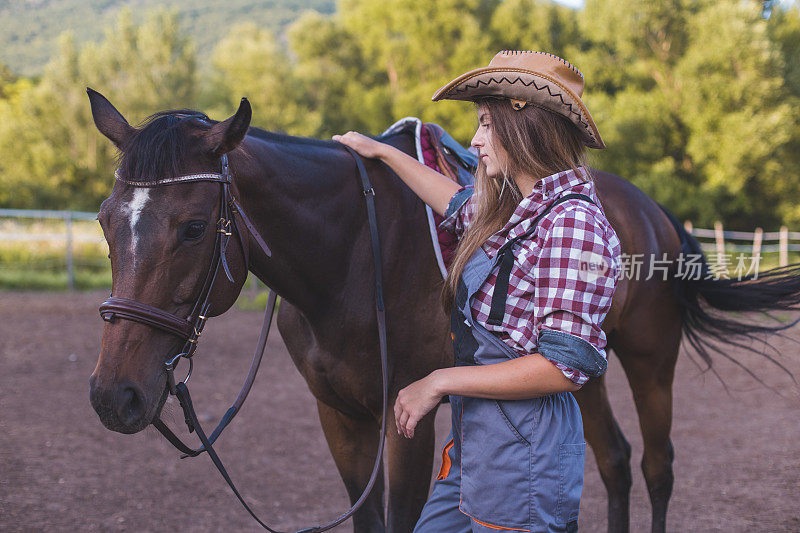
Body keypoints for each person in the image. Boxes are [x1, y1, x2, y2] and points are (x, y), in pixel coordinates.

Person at [334, 50, 621, 533]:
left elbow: (563, 367)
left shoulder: (572, 225)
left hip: (527, 455)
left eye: (487, 124)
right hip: (478, 443)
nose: (474, 139)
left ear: (524, 127)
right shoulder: (513, 211)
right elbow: (453, 201)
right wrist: (385, 153)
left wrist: (439, 381)